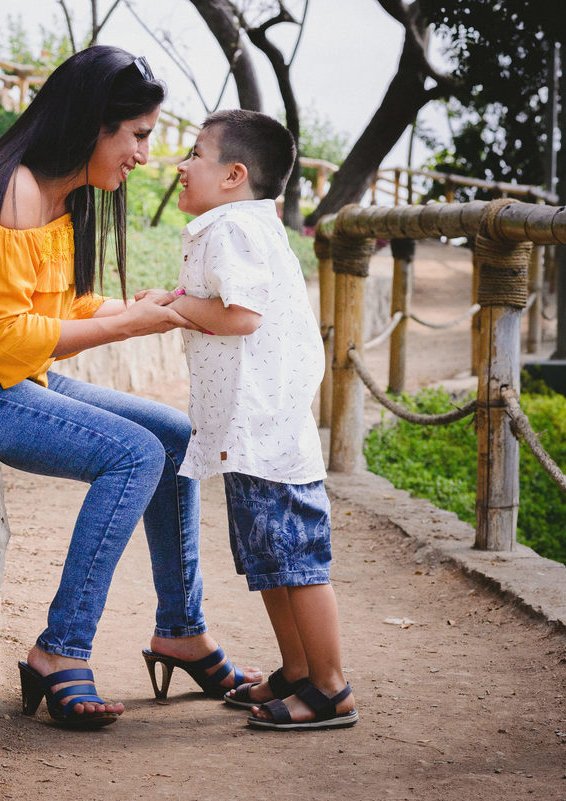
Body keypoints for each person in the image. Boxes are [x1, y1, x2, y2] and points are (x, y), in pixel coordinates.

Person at [0, 46, 259, 730]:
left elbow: (61, 309)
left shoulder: (61, 194)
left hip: (1, 376)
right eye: (138, 134)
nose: (146, 155)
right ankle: (61, 649)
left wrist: (141, 307)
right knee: (134, 454)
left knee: (173, 438)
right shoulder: (11, 190)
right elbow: (3, 339)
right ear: (94, 124)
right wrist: (129, 328)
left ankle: (182, 628)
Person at [163, 109, 358, 730]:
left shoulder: (230, 230)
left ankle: (330, 688)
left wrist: (173, 307)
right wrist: (177, 302)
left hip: (266, 431)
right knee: (273, 563)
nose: (181, 164)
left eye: (195, 154)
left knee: (297, 565)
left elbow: (241, 315)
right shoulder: (241, 224)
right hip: (254, 433)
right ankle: (298, 672)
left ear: (233, 175)